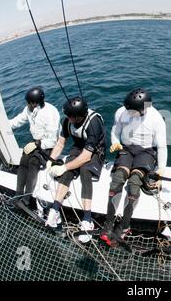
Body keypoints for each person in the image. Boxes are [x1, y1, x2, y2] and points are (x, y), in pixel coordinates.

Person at [100, 88, 167, 246]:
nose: (128, 113)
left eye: (132, 111)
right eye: (127, 109)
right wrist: (115, 142)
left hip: (146, 151)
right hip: (127, 149)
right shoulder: (122, 112)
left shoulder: (156, 119)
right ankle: (109, 223)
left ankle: (124, 226)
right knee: (116, 182)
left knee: (134, 185)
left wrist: (161, 171)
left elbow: (162, 147)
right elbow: (115, 131)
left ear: (143, 110)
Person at [45, 96, 106, 243]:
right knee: (67, 172)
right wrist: (51, 160)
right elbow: (60, 143)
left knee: (85, 171)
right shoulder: (68, 121)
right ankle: (55, 210)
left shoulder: (94, 123)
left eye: (71, 116)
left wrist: (63, 166)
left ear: (79, 117)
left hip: (95, 152)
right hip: (78, 148)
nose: (68, 119)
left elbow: (86, 157)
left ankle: (87, 219)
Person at [9, 86, 60, 211]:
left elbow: (53, 140)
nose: (27, 105)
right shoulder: (29, 109)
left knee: (33, 162)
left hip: (49, 145)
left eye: (28, 103)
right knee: (24, 159)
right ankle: (18, 194)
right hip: (36, 142)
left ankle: (27, 199)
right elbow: (19, 120)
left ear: (35, 103)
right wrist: (5, 125)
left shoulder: (50, 113)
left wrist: (36, 144)